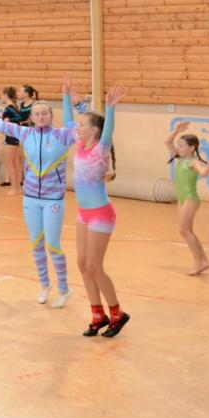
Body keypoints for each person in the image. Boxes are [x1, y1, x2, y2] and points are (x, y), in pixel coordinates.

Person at [0, 79, 74, 303]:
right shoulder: (25, 134)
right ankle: (44, 284)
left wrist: (67, 98)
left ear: (51, 116)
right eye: (37, 114)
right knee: (36, 244)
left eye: (45, 114)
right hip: (30, 198)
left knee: (53, 244)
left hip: (53, 200)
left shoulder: (62, 136)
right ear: (31, 117)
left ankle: (64, 289)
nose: (41, 117)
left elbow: (74, 126)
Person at [70, 86, 130, 337]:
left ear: (94, 131)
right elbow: (71, 121)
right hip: (83, 213)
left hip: (101, 215)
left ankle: (117, 313)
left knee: (95, 266)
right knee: (83, 264)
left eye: (82, 125)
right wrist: (69, 100)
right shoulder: (81, 146)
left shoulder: (100, 150)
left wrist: (111, 108)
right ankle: (97, 314)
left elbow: (108, 130)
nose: (77, 127)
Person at [167, 121, 209, 276]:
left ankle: (199, 262)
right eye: (178, 145)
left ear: (192, 148)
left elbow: (203, 172)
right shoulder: (180, 158)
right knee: (187, 231)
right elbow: (167, 142)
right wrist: (176, 130)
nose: (178, 148)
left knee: (183, 230)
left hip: (190, 198)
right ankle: (204, 261)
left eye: (182, 146)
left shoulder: (193, 162)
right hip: (181, 199)